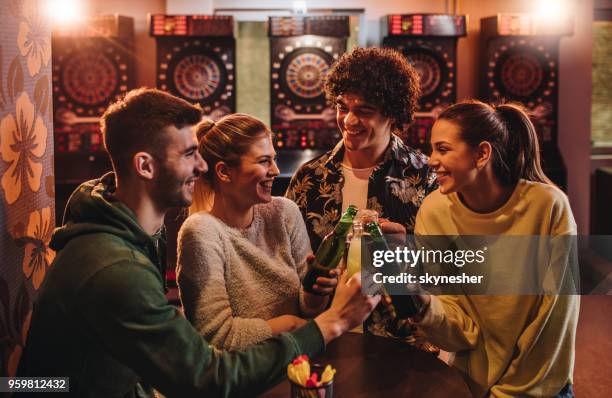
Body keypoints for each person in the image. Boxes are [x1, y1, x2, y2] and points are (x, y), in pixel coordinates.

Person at [16, 88, 380, 398]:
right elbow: (208, 378)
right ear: (145, 166)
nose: (203, 167)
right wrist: (332, 322)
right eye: (190, 155)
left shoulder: (132, 233)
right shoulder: (113, 265)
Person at [412, 100, 579, 397]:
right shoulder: (433, 210)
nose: (430, 159)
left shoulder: (549, 206)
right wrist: (421, 304)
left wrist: (510, 392)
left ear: (481, 153)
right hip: (474, 386)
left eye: (443, 149)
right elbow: (459, 324)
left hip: (540, 386)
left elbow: (555, 319)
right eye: (432, 149)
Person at [285, 47, 437, 340]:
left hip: (404, 347)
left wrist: (408, 252)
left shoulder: (425, 178)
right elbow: (288, 271)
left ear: (393, 114)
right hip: (328, 341)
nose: (349, 121)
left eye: (364, 111)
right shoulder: (310, 179)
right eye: (343, 107)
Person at [177, 114, 338, 351]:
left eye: (273, 159)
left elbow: (308, 310)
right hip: (244, 378)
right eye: (264, 161)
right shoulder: (201, 231)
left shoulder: (284, 213)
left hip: (297, 365)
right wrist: (291, 324)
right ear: (224, 172)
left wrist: (316, 293)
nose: (275, 170)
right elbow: (216, 336)